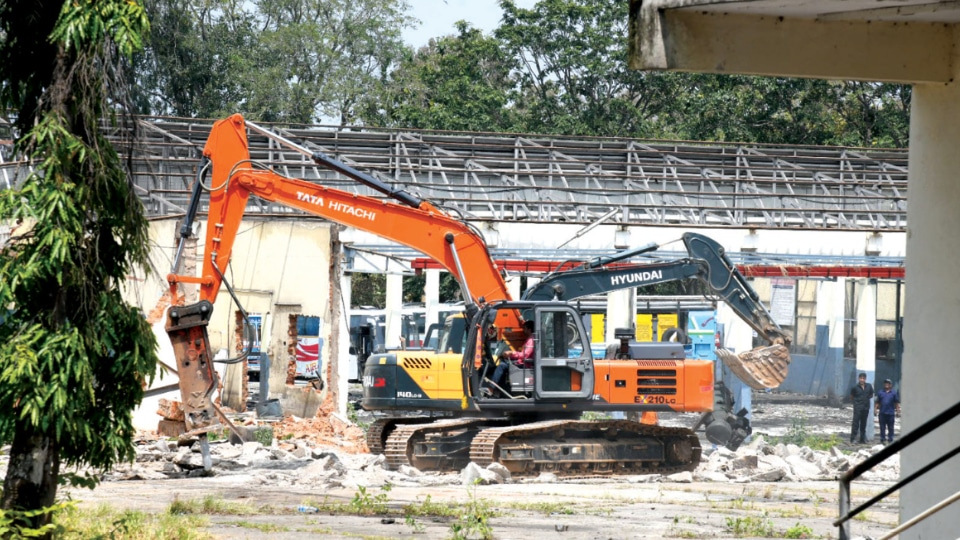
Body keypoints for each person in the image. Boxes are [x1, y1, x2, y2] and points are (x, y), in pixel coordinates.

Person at [484, 320, 535, 397]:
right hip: (522, 362)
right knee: (503, 363)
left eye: (524, 328)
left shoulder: (531, 340)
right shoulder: (530, 339)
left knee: (502, 366)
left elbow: (525, 355)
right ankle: (499, 389)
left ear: (529, 329)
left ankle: (492, 388)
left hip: (524, 364)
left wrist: (511, 353)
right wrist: (510, 355)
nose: (523, 330)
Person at [849, 372, 874, 444]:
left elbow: (871, 395)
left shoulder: (869, 386)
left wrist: (865, 400)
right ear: (859, 379)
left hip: (865, 408)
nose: (862, 380)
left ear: (865, 379)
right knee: (855, 424)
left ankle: (862, 439)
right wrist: (857, 403)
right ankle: (853, 439)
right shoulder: (855, 387)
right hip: (857, 408)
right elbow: (851, 397)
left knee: (863, 424)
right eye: (861, 378)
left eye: (863, 378)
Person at [875, 378, 901, 444]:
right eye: (885, 383)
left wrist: (898, 411)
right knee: (882, 427)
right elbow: (877, 402)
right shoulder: (880, 392)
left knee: (891, 428)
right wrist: (875, 410)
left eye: (888, 383)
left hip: (891, 413)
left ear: (890, 385)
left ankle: (890, 439)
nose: (886, 384)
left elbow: (896, 403)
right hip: (882, 413)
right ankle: (882, 439)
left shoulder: (894, 393)